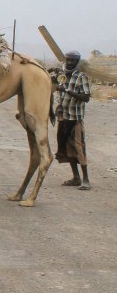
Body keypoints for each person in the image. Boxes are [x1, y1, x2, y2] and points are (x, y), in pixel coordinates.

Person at [54, 50, 92, 190]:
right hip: (63, 117)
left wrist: (68, 91)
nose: (69, 63)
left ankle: (86, 179)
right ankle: (76, 178)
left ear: (77, 62)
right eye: (68, 60)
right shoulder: (62, 75)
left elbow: (86, 97)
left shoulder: (82, 77)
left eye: (73, 61)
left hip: (75, 118)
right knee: (67, 147)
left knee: (79, 147)